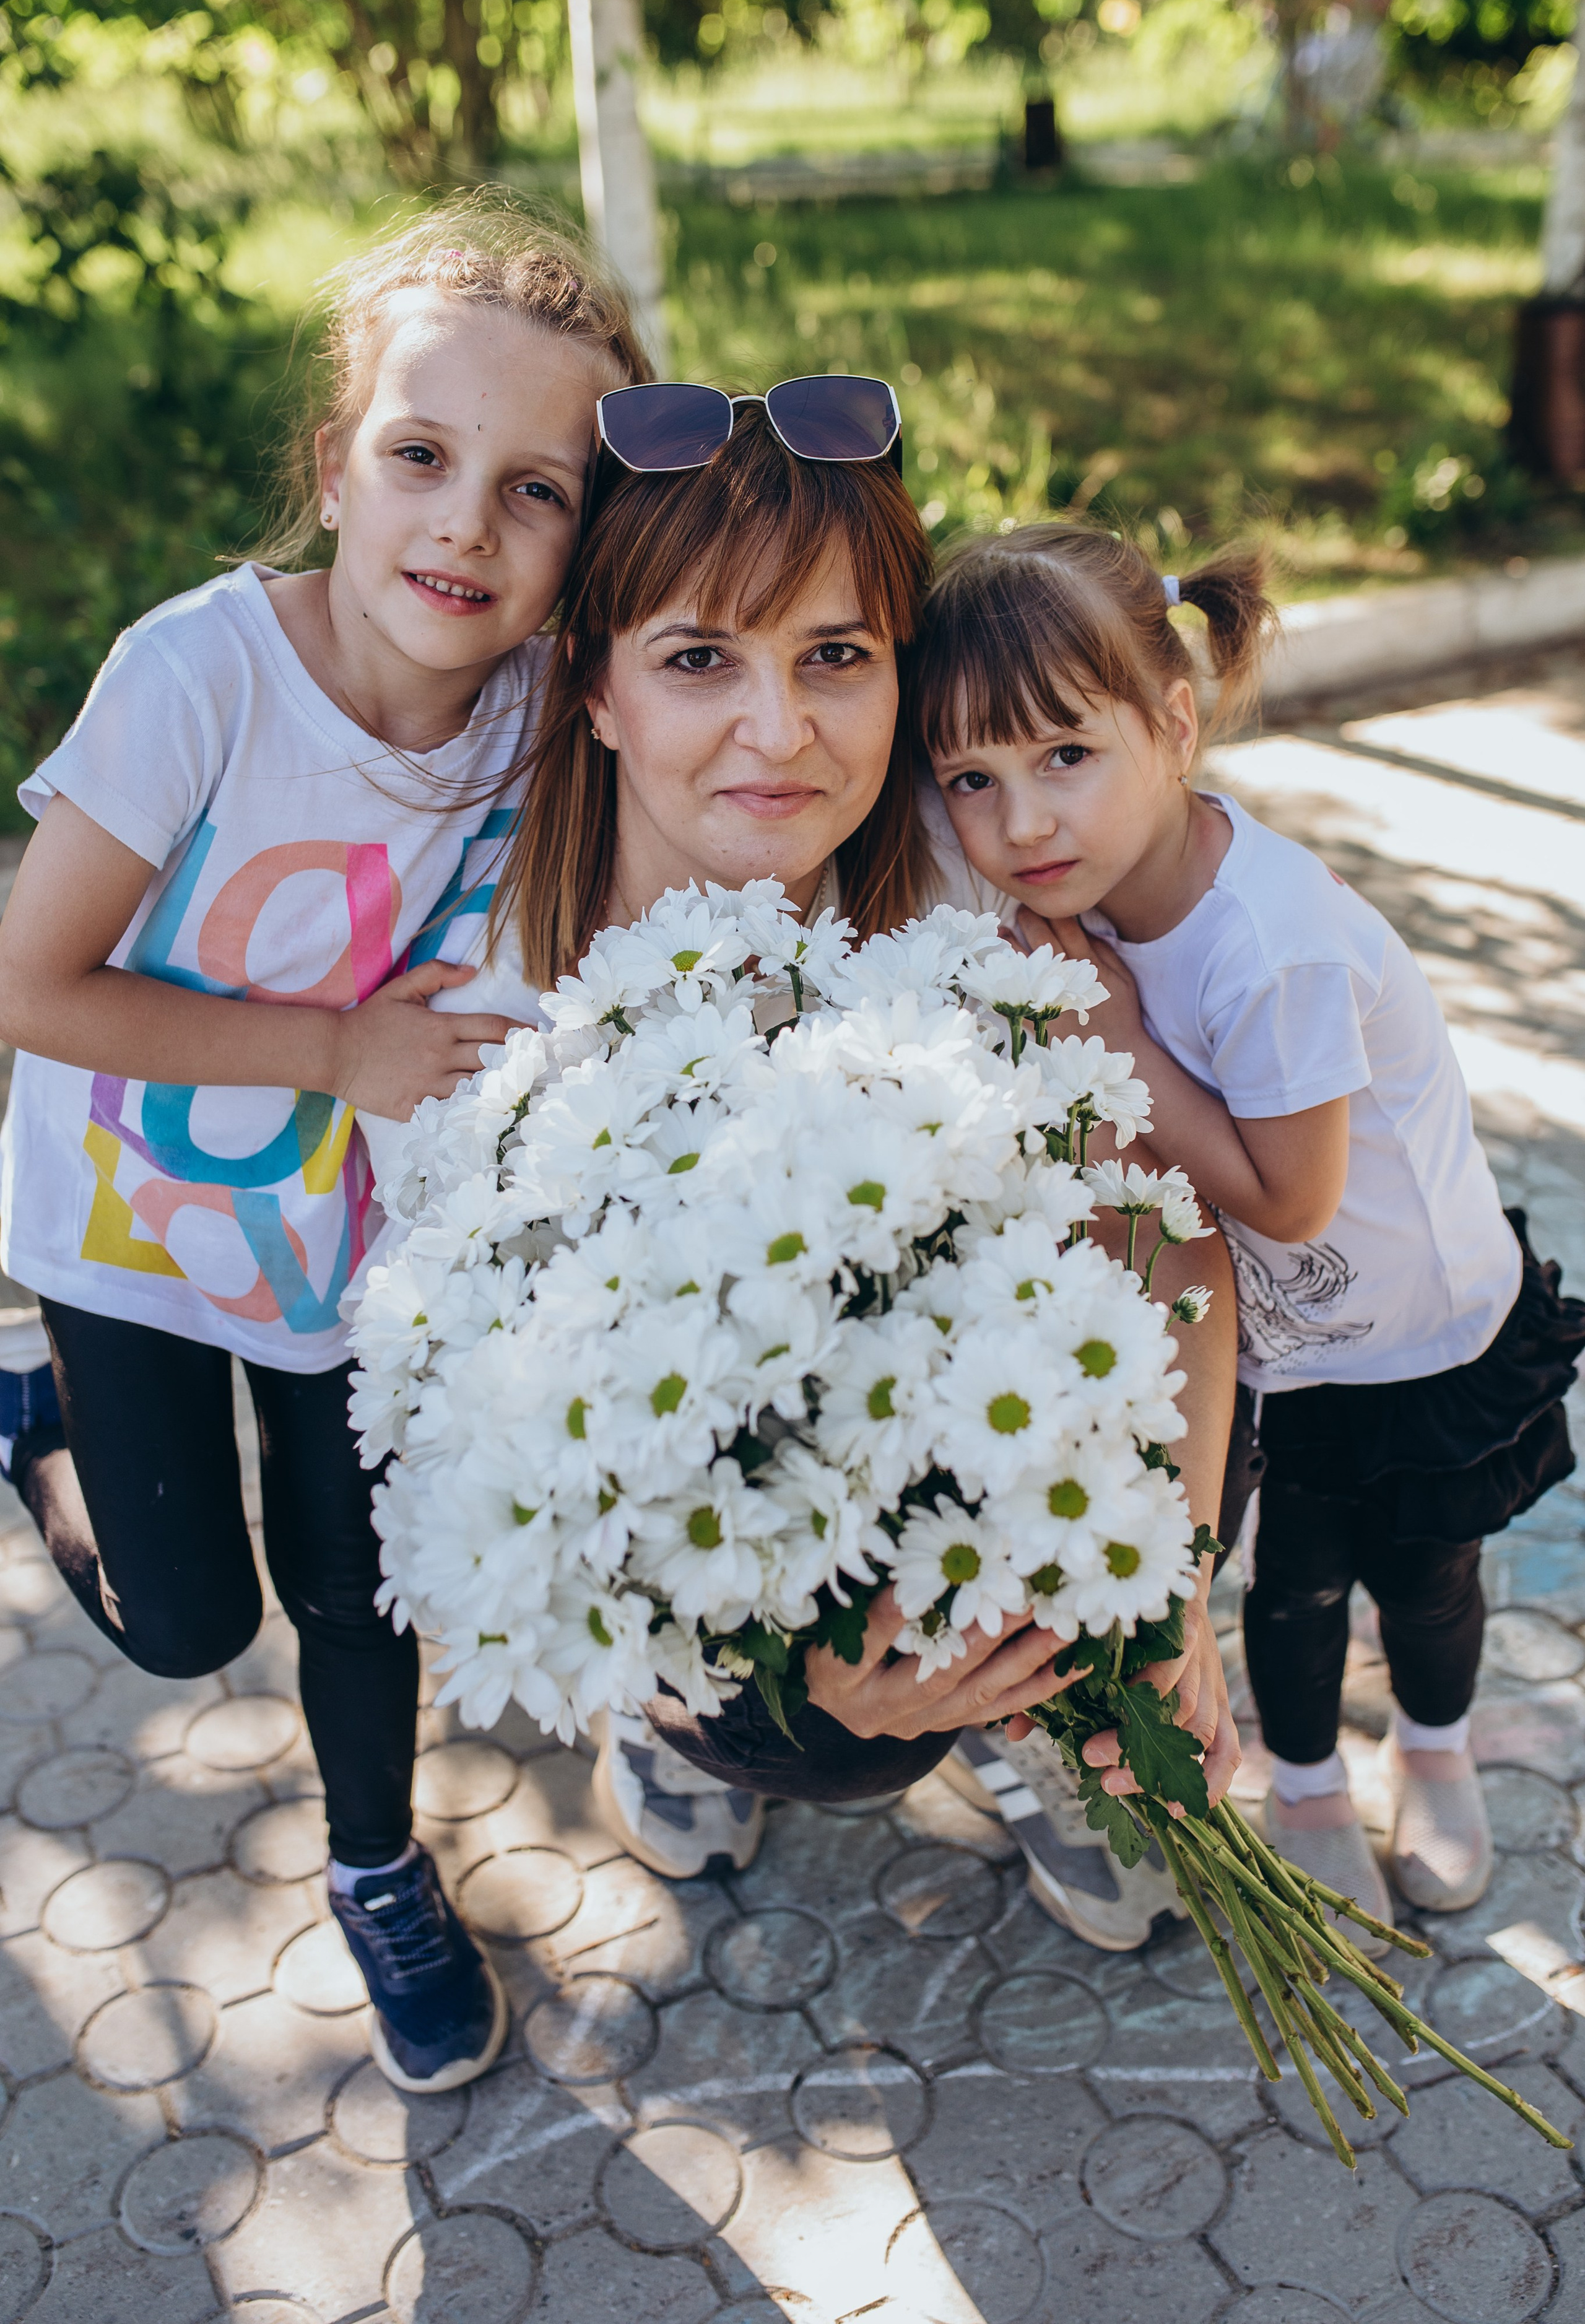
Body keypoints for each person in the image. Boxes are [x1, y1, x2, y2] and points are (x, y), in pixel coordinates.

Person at [360, 398, 1240, 1940]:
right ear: (598, 691)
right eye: (701, 658)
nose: (780, 731)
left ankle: (1031, 1706)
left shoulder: (988, 886)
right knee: (819, 1741)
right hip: (717, 1544)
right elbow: (501, 1445)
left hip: (988, 1469)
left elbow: (1175, 1243)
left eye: (835, 654)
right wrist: (773, 1647)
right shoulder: (484, 1029)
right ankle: (691, 1727)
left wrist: (1163, 1602)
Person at [0, 199, 650, 2092]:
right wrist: (336, 1048)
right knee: (195, 1626)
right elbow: (29, 985)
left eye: (537, 493)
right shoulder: (199, 674)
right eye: (422, 457)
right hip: (129, 1226)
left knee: (363, 1587)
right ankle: (37, 1426)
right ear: (333, 465)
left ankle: (381, 1867)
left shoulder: (550, 715)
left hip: (361, 1253)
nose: (465, 524)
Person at [908, 519, 1585, 1933]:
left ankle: (1434, 1750)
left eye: (1063, 758)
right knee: (1285, 1586)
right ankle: (1305, 1784)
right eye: (971, 778)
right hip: (1287, 1344)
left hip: (1415, 1337)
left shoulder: (1264, 945)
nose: (1020, 823)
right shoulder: (1093, 897)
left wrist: (1116, 1041)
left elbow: (1290, 1197)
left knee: (1422, 1581)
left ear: (1173, 723)